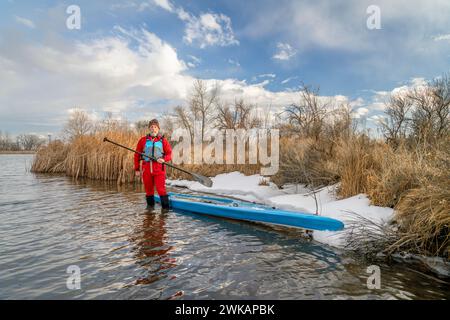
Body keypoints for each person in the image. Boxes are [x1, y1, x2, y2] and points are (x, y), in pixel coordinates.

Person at [134, 119, 172, 210]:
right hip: (146, 169)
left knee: (161, 190)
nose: (153, 129)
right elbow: (136, 155)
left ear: (158, 129)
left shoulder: (163, 141)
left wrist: (163, 159)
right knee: (149, 191)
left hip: (159, 169)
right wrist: (137, 169)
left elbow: (169, 154)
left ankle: (165, 212)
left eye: (155, 127)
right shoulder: (143, 140)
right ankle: (150, 212)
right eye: (151, 127)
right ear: (149, 128)